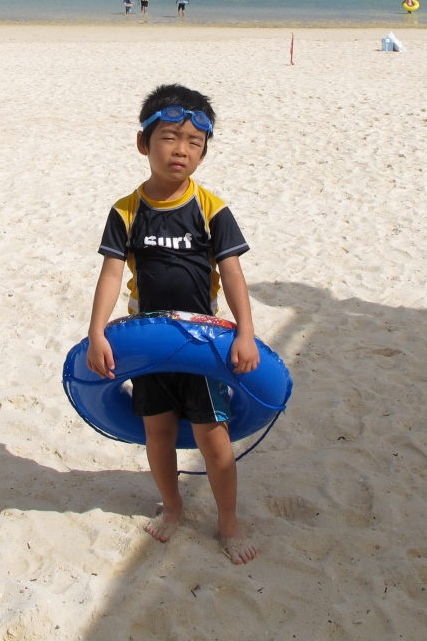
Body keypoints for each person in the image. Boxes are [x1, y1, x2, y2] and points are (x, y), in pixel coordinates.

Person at [86, 84, 259, 564]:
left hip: (201, 342)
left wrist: (244, 332)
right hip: (147, 343)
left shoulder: (212, 209)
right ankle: (173, 505)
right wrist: (97, 330)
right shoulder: (126, 210)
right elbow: (112, 273)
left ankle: (228, 523)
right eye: (169, 137)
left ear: (203, 155)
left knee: (213, 438)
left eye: (194, 142)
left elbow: (232, 273)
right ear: (144, 143)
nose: (181, 149)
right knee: (157, 432)